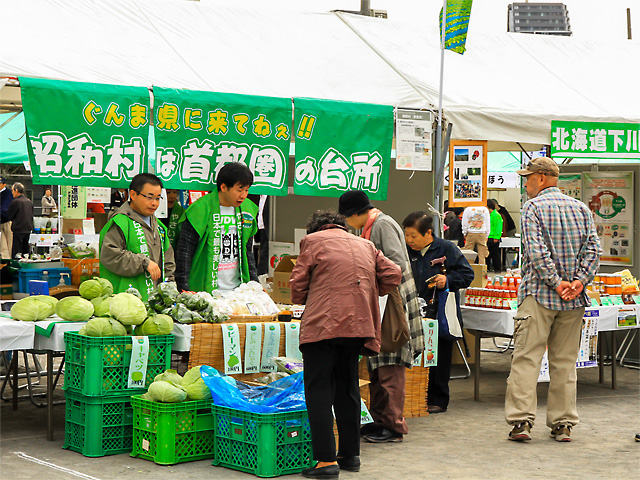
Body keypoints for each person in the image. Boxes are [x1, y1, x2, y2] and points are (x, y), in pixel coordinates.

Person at [290, 210, 402, 479]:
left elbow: (296, 287)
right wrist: (367, 293)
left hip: (322, 326)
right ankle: (350, 455)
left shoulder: (313, 242)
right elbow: (393, 273)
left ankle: (325, 461)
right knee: (348, 387)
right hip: (358, 326)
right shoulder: (366, 244)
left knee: (318, 390)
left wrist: (310, 295)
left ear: (315, 229)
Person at [506, 157, 600, 443]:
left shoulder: (532, 207)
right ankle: (563, 424)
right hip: (574, 299)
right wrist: (579, 282)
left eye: (528, 178)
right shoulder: (581, 208)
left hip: (539, 294)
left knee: (526, 359)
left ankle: (521, 421)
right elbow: (594, 251)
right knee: (565, 361)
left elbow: (536, 251)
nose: (526, 183)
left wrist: (556, 283)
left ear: (543, 178)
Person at [338, 190, 424, 444]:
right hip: (381, 303)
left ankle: (394, 426)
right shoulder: (369, 226)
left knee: (390, 365)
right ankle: (379, 421)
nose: (347, 224)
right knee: (377, 365)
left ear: (355, 214)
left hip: (393, 304)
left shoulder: (382, 224)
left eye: (347, 219)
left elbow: (395, 265)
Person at [402, 212, 474, 414]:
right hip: (413, 311)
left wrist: (447, 280)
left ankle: (438, 399)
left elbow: (467, 274)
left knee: (439, 355)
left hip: (439, 311)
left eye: (413, 236)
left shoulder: (446, 248)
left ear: (428, 233)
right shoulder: (406, 250)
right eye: (406, 235)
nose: (409, 240)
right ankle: (413, 395)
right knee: (415, 355)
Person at [175, 162, 258, 293]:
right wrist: (183, 287)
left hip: (238, 292)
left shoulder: (248, 209)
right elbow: (184, 251)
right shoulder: (200, 209)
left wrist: (255, 284)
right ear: (224, 187)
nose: (243, 195)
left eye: (246, 190)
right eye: (239, 189)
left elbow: (248, 251)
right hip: (204, 290)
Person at [99, 174, 175, 301]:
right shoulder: (120, 222)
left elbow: (168, 262)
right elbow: (110, 255)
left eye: (157, 198)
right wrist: (144, 262)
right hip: (125, 303)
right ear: (133, 195)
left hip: (153, 302)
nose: (154, 203)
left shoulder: (159, 226)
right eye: (149, 197)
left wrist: (170, 290)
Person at [6, 183, 34, 259]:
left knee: (17, 252)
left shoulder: (16, 202)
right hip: (28, 228)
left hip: (18, 228)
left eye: (12, 191)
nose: (12, 193)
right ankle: (26, 265)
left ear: (16, 190)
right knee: (25, 250)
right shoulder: (29, 201)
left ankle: (17, 268)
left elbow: (9, 216)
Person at [487, 199, 503, 273]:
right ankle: (487, 268)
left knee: (495, 254)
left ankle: (497, 269)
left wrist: (496, 237)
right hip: (487, 237)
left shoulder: (496, 215)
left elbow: (498, 227)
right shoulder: (487, 215)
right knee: (487, 254)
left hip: (493, 237)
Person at [0, 177, 13, 258]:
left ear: (4, 184)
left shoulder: (8, 193)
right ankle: (5, 258)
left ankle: (9, 260)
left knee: (9, 242)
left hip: (7, 221)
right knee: (2, 243)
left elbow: (6, 207)